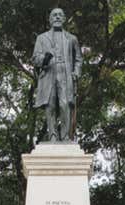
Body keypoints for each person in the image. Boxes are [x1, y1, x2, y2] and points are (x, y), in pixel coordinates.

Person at [33, 7, 82, 142]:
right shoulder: (41, 38)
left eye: (60, 15)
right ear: (50, 19)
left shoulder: (72, 39)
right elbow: (35, 58)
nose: (57, 17)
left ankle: (65, 136)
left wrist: (76, 72)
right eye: (54, 15)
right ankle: (53, 135)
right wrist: (45, 59)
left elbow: (78, 59)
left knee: (64, 104)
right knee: (50, 105)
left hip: (65, 74)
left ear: (64, 19)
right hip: (49, 73)